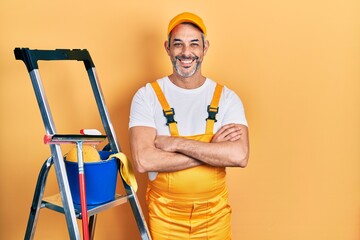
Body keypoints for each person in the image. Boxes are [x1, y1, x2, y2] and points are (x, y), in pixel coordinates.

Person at [129, 12, 249, 240]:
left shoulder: (226, 98)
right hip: (165, 219)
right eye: (178, 44)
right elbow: (144, 161)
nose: (186, 52)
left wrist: (175, 144)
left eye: (194, 43)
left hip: (215, 219)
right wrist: (213, 150)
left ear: (205, 47)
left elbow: (240, 156)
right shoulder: (147, 96)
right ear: (167, 48)